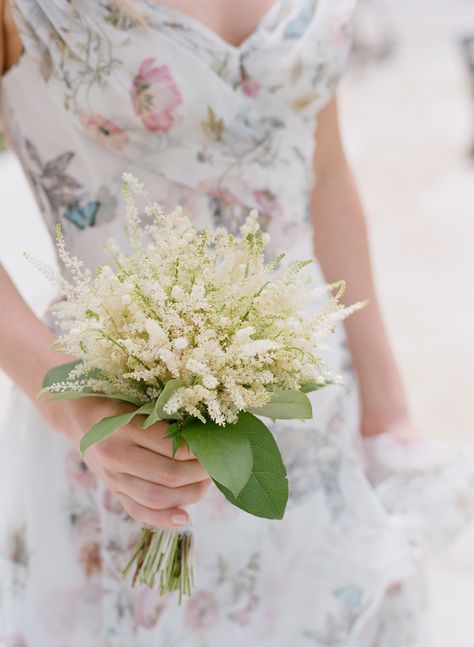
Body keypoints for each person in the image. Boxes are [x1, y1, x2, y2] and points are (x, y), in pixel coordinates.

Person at [0, 1, 473, 645]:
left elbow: (323, 172)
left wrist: (386, 415)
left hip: (310, 432)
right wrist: (69, 398)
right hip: (124, 445)